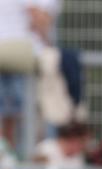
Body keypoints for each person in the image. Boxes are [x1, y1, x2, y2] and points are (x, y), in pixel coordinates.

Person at [0, 0, 59, 154]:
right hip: (22, 54)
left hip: (11, 53)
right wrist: (48, 43)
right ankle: (24, 156)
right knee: (26, 113)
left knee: (8, 113)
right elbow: (37, 16)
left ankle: (9, 154)